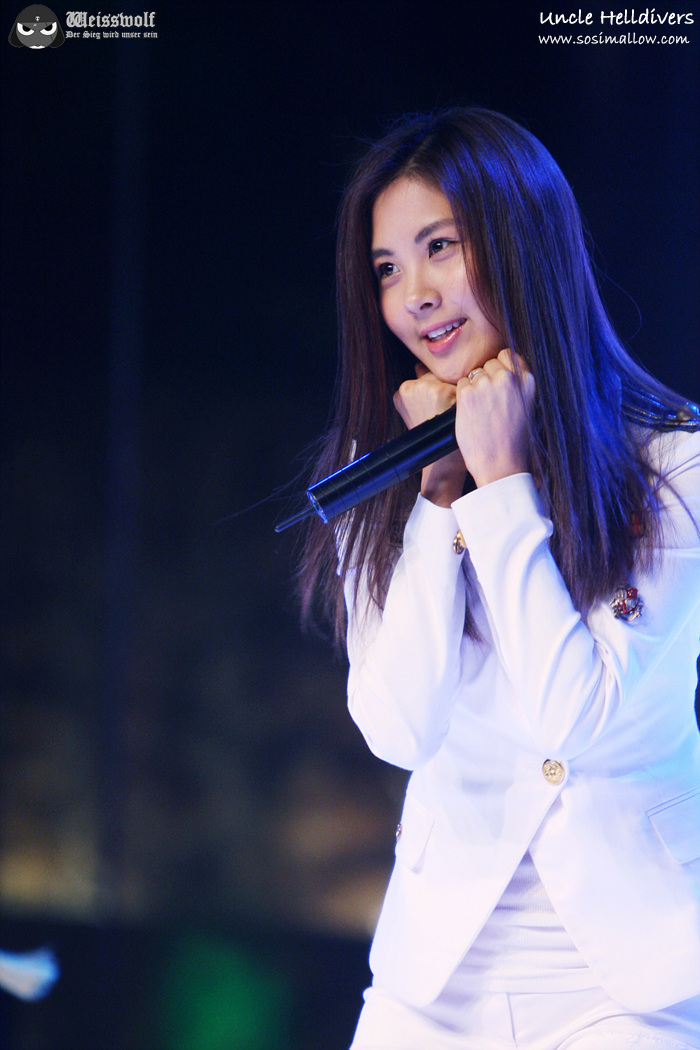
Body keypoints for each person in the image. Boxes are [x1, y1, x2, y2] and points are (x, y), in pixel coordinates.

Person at [298, 108, 700, 1049]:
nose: (415, 296)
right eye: (387, 268)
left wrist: (503, 484)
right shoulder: (381, 469)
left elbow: (575, 717)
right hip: (431, 982)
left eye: (440, 247)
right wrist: (440, 499)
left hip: (632, 984)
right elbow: (400, 728)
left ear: (523, 242)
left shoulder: (675, 467)